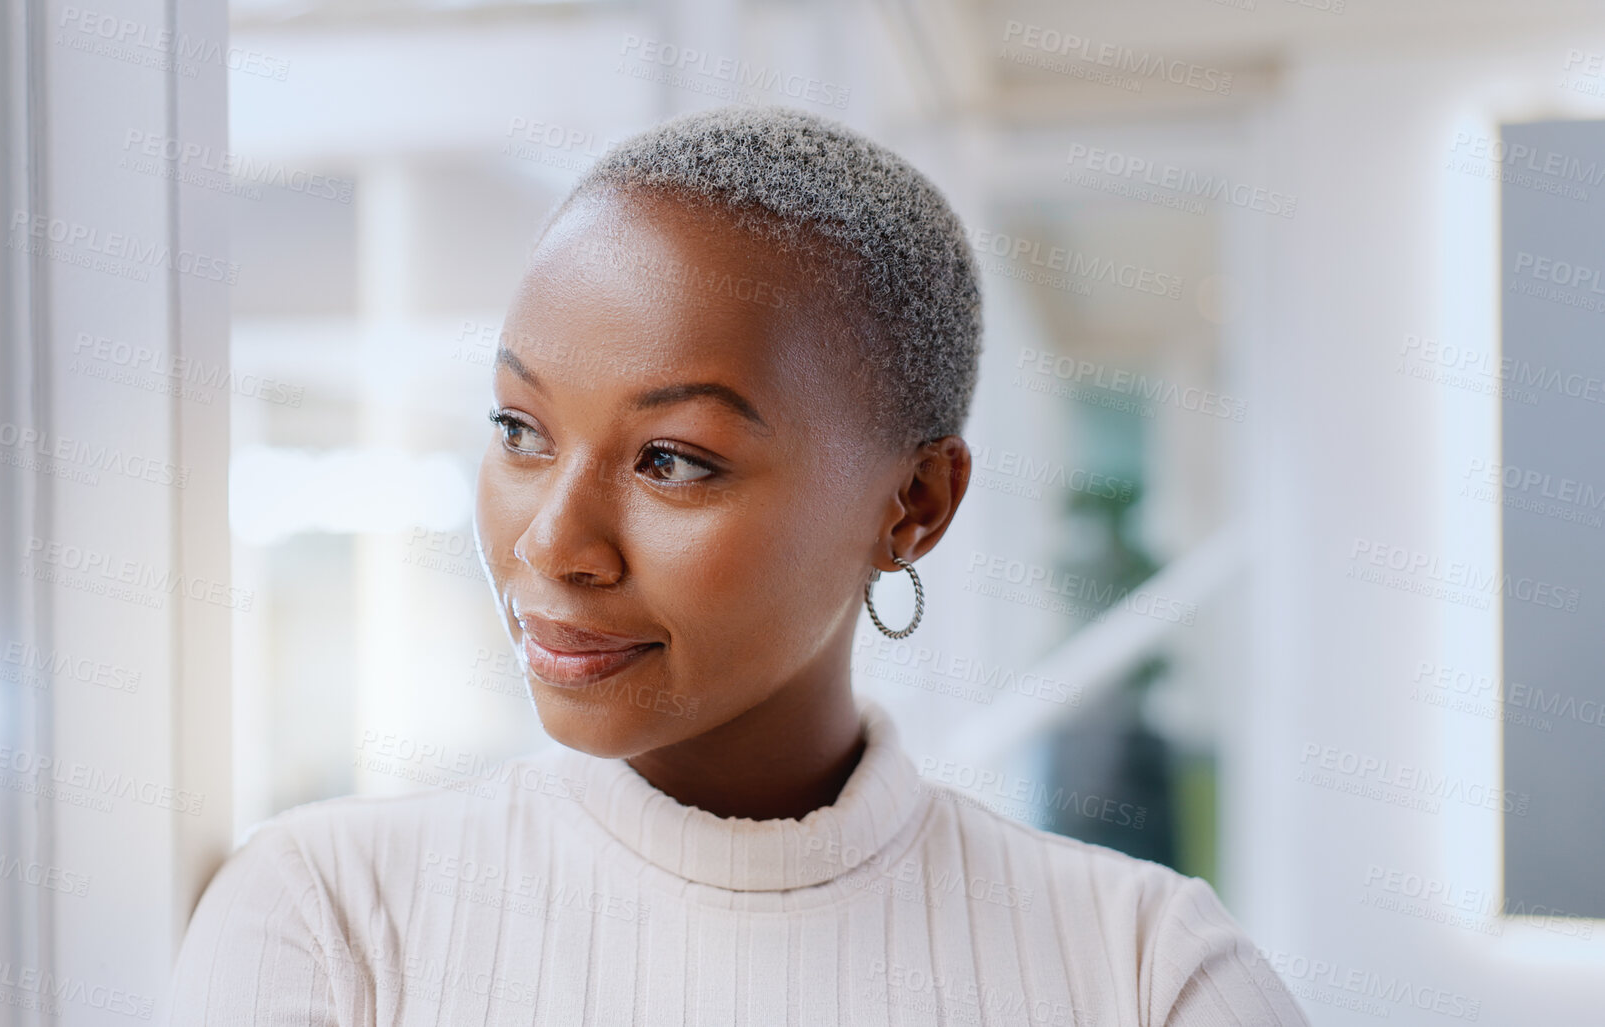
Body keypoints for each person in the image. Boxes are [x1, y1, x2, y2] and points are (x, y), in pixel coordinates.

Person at [169, 104, 1308, 1026]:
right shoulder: (329, 921)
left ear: (913, 505)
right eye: (521, 428)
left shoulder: (1146, 970)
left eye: (671, 459)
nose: (551, 542)